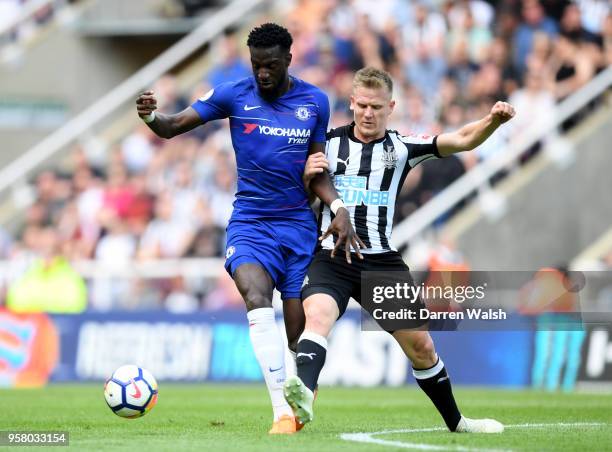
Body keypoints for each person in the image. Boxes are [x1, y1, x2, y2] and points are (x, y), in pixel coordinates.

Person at [135, 23, 361, 434]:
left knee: (298, 335)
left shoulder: (315, 102)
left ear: (289, 59)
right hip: (251, 223)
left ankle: (300, 400)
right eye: (256, 65)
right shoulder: (233, 95)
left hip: (298, 227)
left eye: (270, 65)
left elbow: (318, 170)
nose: (262, 73)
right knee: (255, 294)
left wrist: (339, 206)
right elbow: (171, 127)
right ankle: (281, 412)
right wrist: (151, 115)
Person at [285, 67, 515, 433]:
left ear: (390, 106)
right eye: (361, 105)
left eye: (376, 106)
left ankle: (457, 423)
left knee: (422, 346)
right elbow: (296, 189)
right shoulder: (326, 145)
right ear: (352, 103)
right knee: (318, 318)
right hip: (331, 256)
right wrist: (304, 175)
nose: (368, 113)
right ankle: (300, 406)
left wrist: (492, 121)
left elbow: (463, 139)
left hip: (381, 263)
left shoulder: (403, 147)